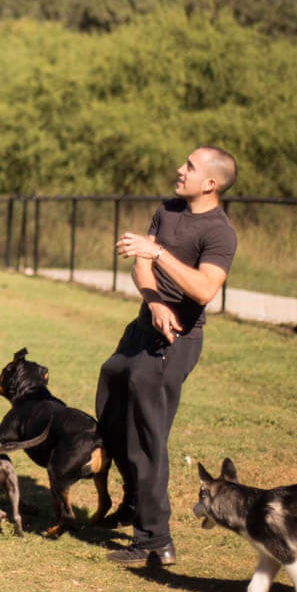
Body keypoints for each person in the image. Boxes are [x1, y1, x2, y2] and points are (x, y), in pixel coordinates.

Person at [96, 146, 238, 566]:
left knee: (147, 439)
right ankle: (136, 500)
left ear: (210, 183)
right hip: (144, 328)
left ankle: (155, 541)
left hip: (174, 342)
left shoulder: (219, 232)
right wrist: (155, 301)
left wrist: (159, 254)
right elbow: (141, 263)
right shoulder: (168, 208)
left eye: (190, 167)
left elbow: (204, 289)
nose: (180, 169)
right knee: (110, 407)